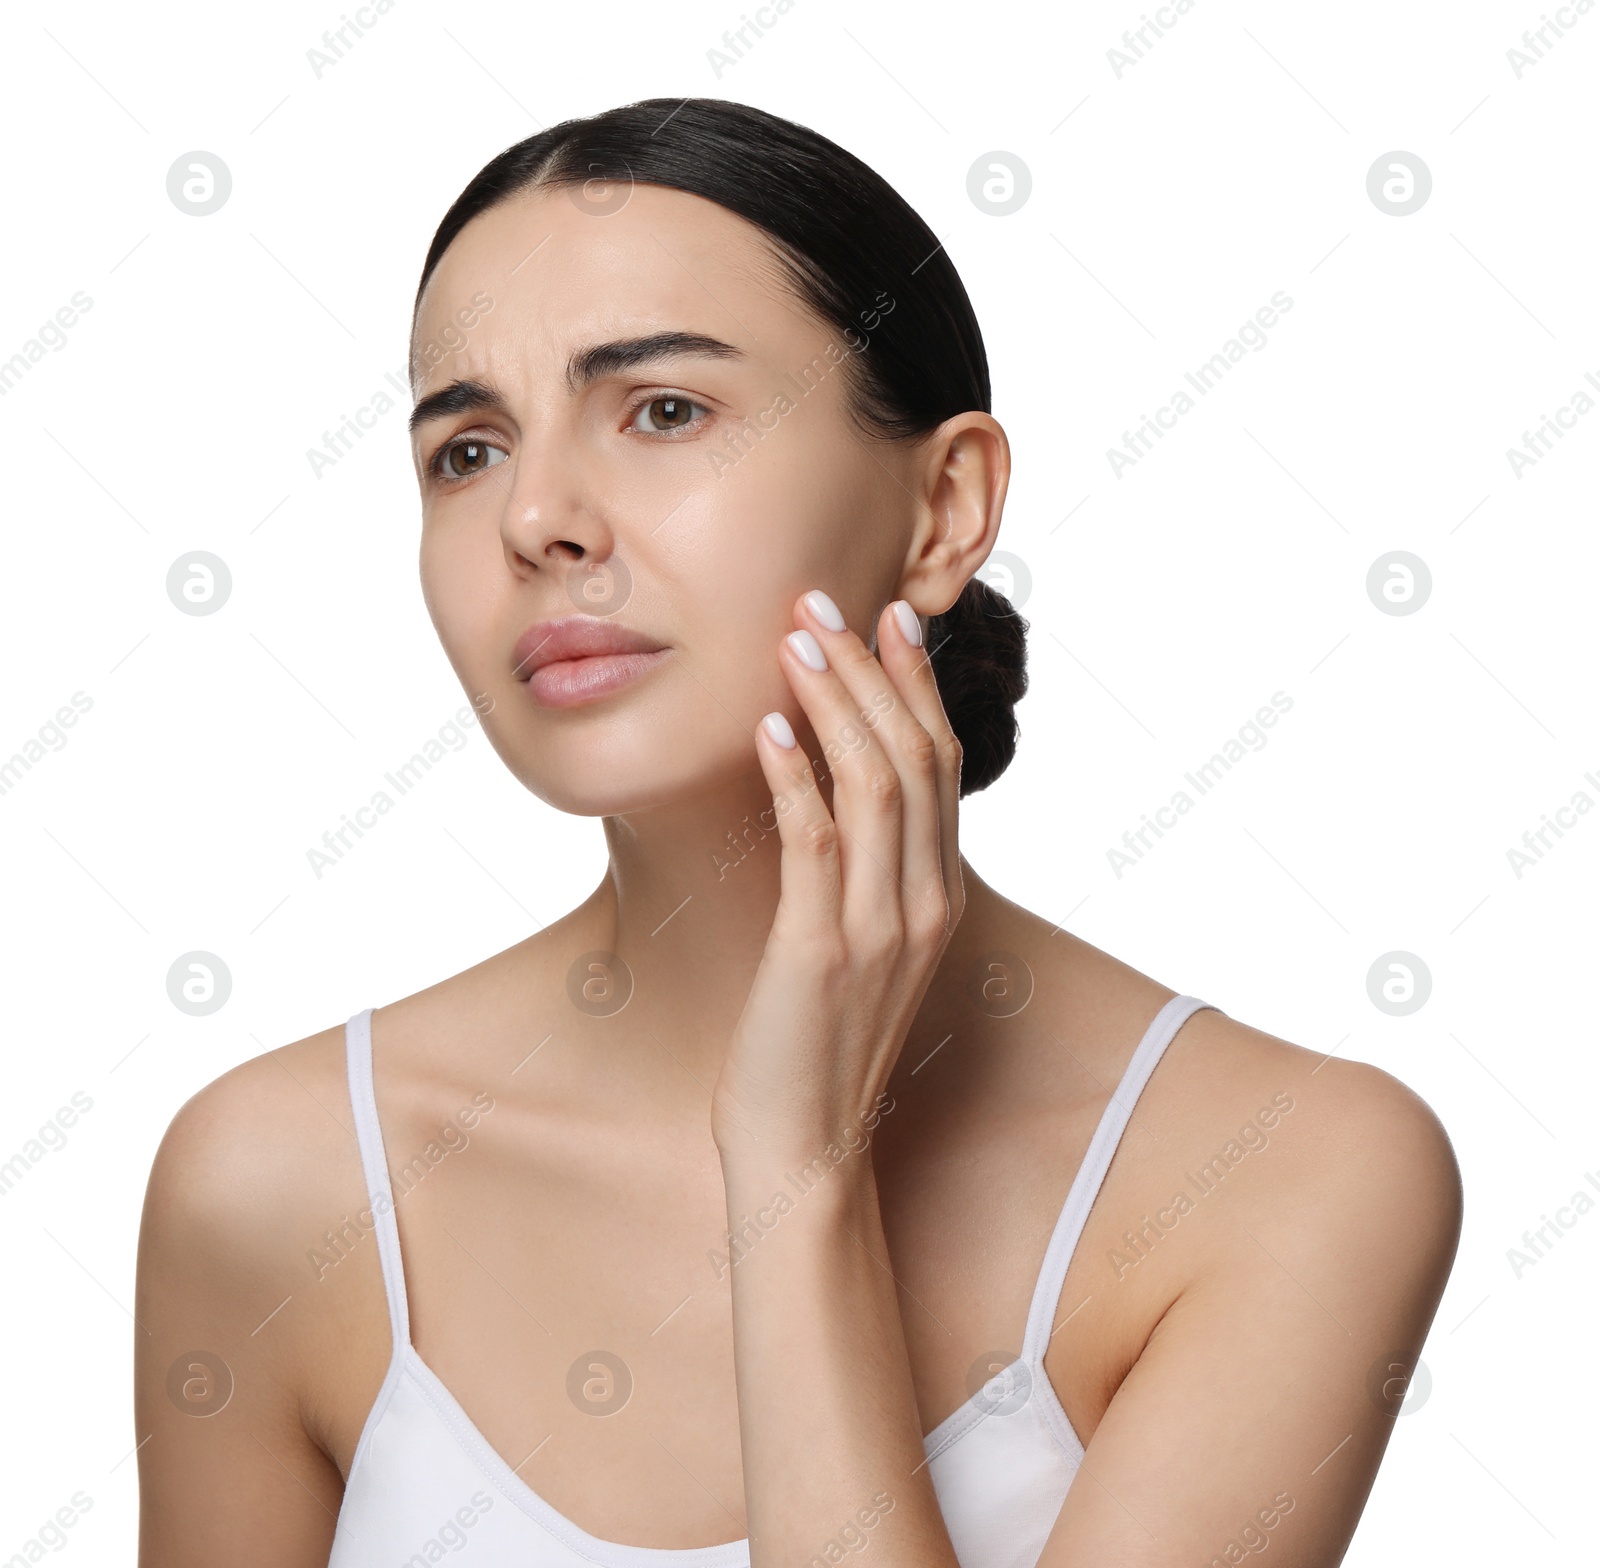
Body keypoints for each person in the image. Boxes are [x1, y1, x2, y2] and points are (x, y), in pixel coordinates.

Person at [134, 98, 1462, 1568]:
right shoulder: (273, 1184)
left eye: (662, 411)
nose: (537, 518)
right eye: (467, 449)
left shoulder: (1293, 1171)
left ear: (946, 507)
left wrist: (792, 1176)